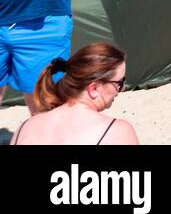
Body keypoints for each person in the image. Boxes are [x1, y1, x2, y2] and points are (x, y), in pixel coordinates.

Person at [9, 42, 138, 145]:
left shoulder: (25, 128)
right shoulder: (116, 131)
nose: (122, 89)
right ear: (93, 89)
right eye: (119, 83)